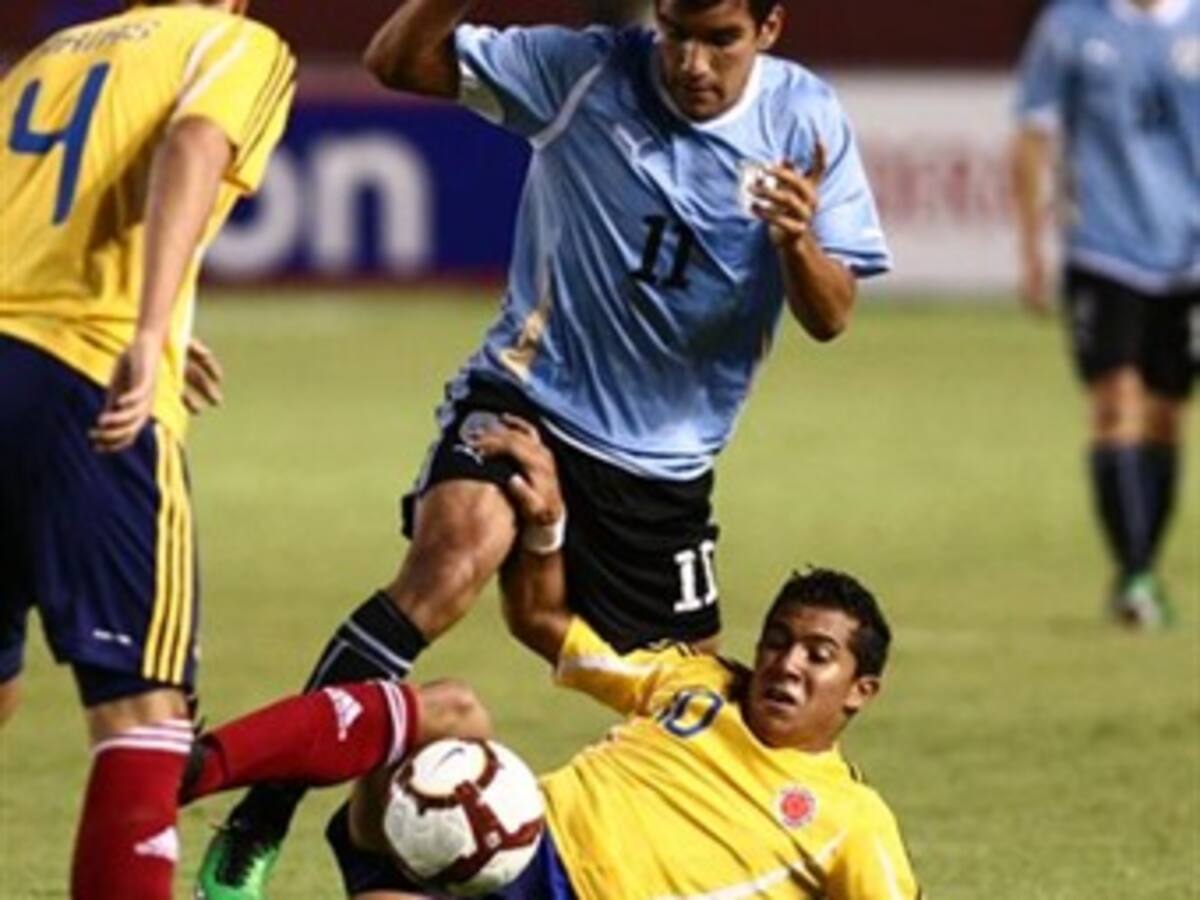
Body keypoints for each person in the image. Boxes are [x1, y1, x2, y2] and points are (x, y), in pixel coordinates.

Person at [200, 0, 890, 890]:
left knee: (705, 723)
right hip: (531, 396)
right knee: (447, 571)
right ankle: (265, 812)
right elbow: (396, 61)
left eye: (719, 38)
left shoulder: (807, 121)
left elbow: (831, 316)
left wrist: (796, 242)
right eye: (676, 29)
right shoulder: (584, 70)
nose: (690, 61)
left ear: (769, 29)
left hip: (666, 473)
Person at [181, 417, 920, 899]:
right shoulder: (695, 681)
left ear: (860, 690)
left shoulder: (853, 822)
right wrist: (546, 527)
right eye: (779, 640)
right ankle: (198, 768)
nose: (786, 664)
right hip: (498, 839)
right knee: (454, 708)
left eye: (818, 656)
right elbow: (540, 620)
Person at [0, 1, 294, 896]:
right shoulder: (237, 44)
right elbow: (195, 148)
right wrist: (150, 321)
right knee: (146, 715)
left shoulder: (49, 53)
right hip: (84, 384)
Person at [1011, 0, 1199, 627]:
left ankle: (1144, 567)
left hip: (1188, 256)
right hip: (1103, 250)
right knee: (1115, 402)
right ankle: (1135, 573)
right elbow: (1033, 133)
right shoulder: (1071, 27)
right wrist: (1032, 246)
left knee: (1165, 416)